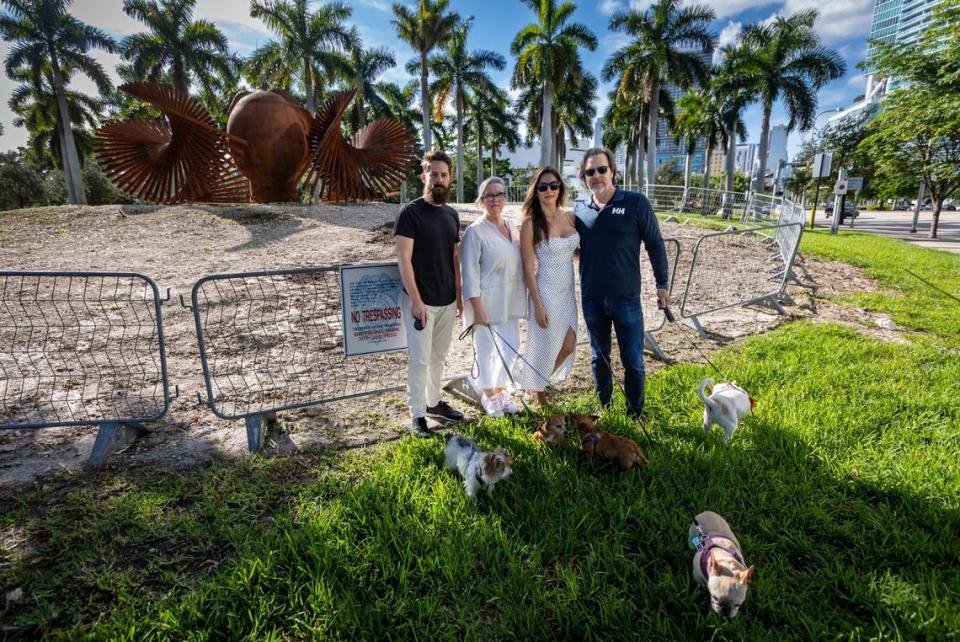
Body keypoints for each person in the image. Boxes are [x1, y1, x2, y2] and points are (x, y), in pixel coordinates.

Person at [574, 147, 671, 419]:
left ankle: (634, 414)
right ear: (584, 177)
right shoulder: (580, 210)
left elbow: (655, 244)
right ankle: (604, 409)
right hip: (592, 297)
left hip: (626, 297)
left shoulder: (636, 203)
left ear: (612, 171)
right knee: (599, 358)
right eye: (589, 172)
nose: (596, 175)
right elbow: (571, 246)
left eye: (601, 169)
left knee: (634, 362)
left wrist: (662, 285)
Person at [394, 150, 465, 437]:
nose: (439, 180)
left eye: (444, 175)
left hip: (447, 300)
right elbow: (403, 259)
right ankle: (417, 416)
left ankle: (434, 402)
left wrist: (458, 295)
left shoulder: (451, 214)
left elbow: (453, 257)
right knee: (420, 360)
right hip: (420, 303)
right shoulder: (409, 213)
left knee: (439, 357)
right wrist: (415, 300)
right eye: (434, 174)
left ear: (449, 179)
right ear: (424, 177)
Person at [459, 176, 527, 417]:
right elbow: (468, 274)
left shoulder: (512, 227)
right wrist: (476, 307)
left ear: (505, 199)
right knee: (486, 350)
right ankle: (489, 396)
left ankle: (498, 389)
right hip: (484, 301)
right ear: (481, 201)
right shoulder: (474, 232)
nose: (495, 199)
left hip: (510, 298)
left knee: (512, 346)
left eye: (499, 194)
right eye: (489, 195)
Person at [519, 167, 579, 405]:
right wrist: (538, 304)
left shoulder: (570, 217)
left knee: (569, 345)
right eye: (543, 187)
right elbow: (527, 268)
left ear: (560, 188)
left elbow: (575, 251)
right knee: (543, 347)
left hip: (567, 293)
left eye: (554, 185)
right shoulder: (530, 224)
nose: (549, 190)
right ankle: (539, 395)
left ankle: (535, 384)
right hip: (545, 292)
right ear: (536, 191)